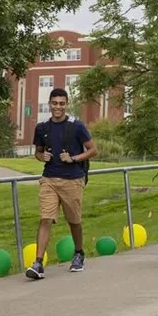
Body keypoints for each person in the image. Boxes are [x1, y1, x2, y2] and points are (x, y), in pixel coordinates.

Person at [26, 88, 97, 280]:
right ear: (49, 104)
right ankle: (38, 263)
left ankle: (79, 252)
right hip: (49, 178)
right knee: (45, 218)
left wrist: (73, 158)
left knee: (74, 221)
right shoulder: (42, 128)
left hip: (72, 179)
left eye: (61, 103)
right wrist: (43, 156)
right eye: (55, 103)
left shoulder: (77, 126)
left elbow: (93, 150)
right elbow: (38, 152)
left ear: (66, 104)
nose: (58, 107)